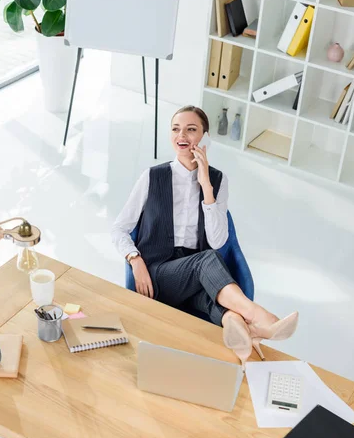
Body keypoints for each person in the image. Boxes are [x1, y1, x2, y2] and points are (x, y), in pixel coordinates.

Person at [111, 105, 298, 368]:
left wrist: (205, 185)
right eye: (176, 129)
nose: (182, 135)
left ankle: (242, 333)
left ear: (205, 137)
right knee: (207, 260)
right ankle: (260, 317)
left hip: (198, 276)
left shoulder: (218, 181)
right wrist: (135, 259)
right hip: (160, 273)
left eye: (191, 129)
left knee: (222, 306)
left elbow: (219, 239)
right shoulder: (153, 176)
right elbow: (119, 227)